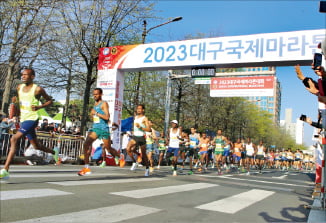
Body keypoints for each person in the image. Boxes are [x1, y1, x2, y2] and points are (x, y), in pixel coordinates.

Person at [0, 68, 60, 180]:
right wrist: (15, 103)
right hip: (23, 119)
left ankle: (5, 170)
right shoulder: (19, 87)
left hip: (32, 119)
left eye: (25, 75)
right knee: (36, 145)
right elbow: (20, 104)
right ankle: (53, 151)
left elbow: (49, 101)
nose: (22, 76)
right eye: (22, 75)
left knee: (14, 139)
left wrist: (39, 106)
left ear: (32, 76)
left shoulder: (37, 89)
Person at [78, 88, 121, 176]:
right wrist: (91, 115)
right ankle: (87, 168)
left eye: (96, 94)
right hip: (96, 128)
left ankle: (118, 156)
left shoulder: (104, 103)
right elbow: (95, 117)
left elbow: (107, 117)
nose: (95, 96)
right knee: (86, 144)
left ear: (101, 94)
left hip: (103, 129)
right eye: (94, 94)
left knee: (108, 148)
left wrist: (96, 113)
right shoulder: (95, 104)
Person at [126, 104, 151, 176]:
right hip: (135, 136)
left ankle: (147, 168)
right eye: (137, 109)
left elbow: (149, 129)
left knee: (144, 155)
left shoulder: (145, 118)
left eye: (140, 109)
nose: (138, 110)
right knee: (128, 148)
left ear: (143, 110)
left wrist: (141, 127)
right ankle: (134, 162)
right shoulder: (135, 117)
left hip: (141, 137)